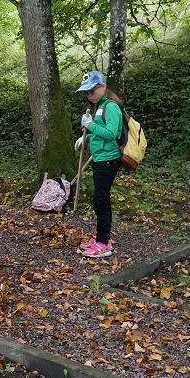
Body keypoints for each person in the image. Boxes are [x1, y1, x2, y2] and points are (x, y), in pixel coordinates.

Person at [74, 71, 122, 258]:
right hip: (100, 158)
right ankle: (102, 238)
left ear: (102, 87)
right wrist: (86, 138)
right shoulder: (101, 105)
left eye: (92, 90)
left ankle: (104, 244)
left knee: (100, 201)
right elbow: (102, 132)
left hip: (109, 160)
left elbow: (111, 134)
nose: (88, 95)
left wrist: (90, 125)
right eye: (86, 92)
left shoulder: (111, 107)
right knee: (101, 200)